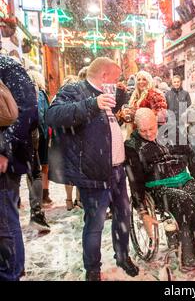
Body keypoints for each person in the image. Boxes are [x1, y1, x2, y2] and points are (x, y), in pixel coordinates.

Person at [46, 57, 139, 281]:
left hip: (117, 169)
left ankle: (122, 256)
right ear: (105, 75)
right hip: (94, 172)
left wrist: (122, 114)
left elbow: (104, 125)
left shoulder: (109, 94)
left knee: (124, 216)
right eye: (117, 78)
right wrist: (92, 104)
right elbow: (52, 116)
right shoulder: (76, 90)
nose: (119, 83)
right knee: (95, 223)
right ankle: (93, 269)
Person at [125, 108, 195, 271]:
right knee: (183, 201)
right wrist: (142, 210)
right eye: (143, 131)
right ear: (136, 127)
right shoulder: (132, 146)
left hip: (183, 179)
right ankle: (186, 248)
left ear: (156, 122)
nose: (149, 134)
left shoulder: (172, 134)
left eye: (151, 128)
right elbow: (134, 180)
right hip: (158, 186)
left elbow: (191, 155)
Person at [0, 54, 38, 281]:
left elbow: (27, 109)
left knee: (4, 222)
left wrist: (4, 149)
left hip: (5, 161)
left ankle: (11, 273)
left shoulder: (7, 65)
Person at [25, 69, 51, 231]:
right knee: (35, 172)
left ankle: (34, 210)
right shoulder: (40, 93)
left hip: (27, 136)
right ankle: (36, 211)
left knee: (32, 173)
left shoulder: (21, 90)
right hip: (36, 136)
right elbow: (43, 116)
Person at [59, 75, 83, 211]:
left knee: (69, 171)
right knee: (79, 170)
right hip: (76, 139)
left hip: (64, 140)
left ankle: (69, 200)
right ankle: (78, 199)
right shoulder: (78, 100)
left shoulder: (58, 101)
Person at [120, 70, 167, 139]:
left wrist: (141, 116)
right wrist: (126, 115)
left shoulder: (154, 94)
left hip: (150, 134)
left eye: (144, 79)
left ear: (149, 81)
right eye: (138, 79)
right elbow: (133, 115)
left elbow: (161, 115)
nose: (141, 82)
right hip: (136, 133)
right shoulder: (135, 95)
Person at [165, 75, 191, 145]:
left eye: (178, 82)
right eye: (174, 82)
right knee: (172, 142)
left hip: (182, 122)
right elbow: (165, 108)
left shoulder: (185, 93)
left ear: (180, 82)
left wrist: (188, 121)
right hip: (171, 122)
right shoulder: (167, 94)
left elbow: (189, 108)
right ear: (172, 83)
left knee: (183, 142)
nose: (176, 83)